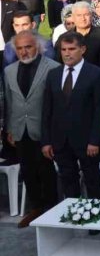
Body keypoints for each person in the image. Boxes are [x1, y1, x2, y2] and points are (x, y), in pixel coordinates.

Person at [3, 31, 59, 227]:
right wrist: (10, 128)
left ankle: (52, 209)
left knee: (46, 171)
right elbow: (10, 102)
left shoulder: (53, 68)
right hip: (20, 129)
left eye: (28, 46)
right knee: (27, 170)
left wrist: (53, 133)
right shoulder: (9, 70)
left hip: (44, 130)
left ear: (38, 46)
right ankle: (36, 208)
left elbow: (57, 105)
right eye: (19, 48)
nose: (24, 51)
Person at [41, 31, 100, 199]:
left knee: (92, 180)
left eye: (71, 49)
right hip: (60, 140)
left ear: (82, 49)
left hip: (86, 142)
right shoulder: (53, 74)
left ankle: (95, 219)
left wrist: (94, 140)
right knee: (67, 180)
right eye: (63, 49)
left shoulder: (96, 73)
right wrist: (46, 141)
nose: (67, 53)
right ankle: (74, 215)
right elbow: (47, 109)